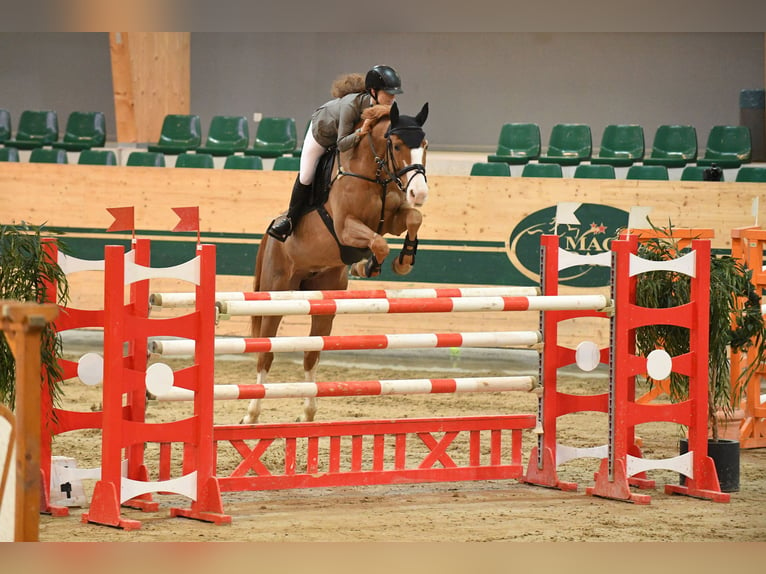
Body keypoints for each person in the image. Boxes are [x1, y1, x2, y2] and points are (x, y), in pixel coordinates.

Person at [267, 64, 404, 242]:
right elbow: (341, 144)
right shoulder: (350, 105)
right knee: (307, 176)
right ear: (373, 91)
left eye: (394, 93)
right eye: (388, 92)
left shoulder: (388, 105)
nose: (393, 97)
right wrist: (361, 132)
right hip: (322, 134)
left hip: (347, 135)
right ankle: (289, 221)